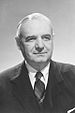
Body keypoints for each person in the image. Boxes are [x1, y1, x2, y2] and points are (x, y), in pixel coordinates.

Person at [0, 13, 75, 113]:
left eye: (46, 38)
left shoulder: (73, 77)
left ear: (52, 40)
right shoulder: (2, 85)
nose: (40, 45)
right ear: (18, 43)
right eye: (31, 39)